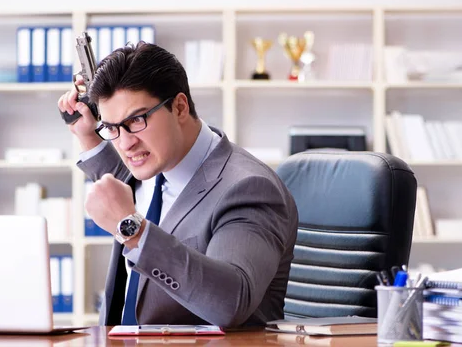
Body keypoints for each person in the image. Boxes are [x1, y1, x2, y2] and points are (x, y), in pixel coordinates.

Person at [57, 41, 298, 328]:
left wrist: (132, 230)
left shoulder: (248, 188)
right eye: (112, 127)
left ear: (180, 107)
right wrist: (88, 136)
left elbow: (231, 303)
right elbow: (122, 184)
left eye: (136, 120)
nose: (125, 143)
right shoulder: (157, 162)